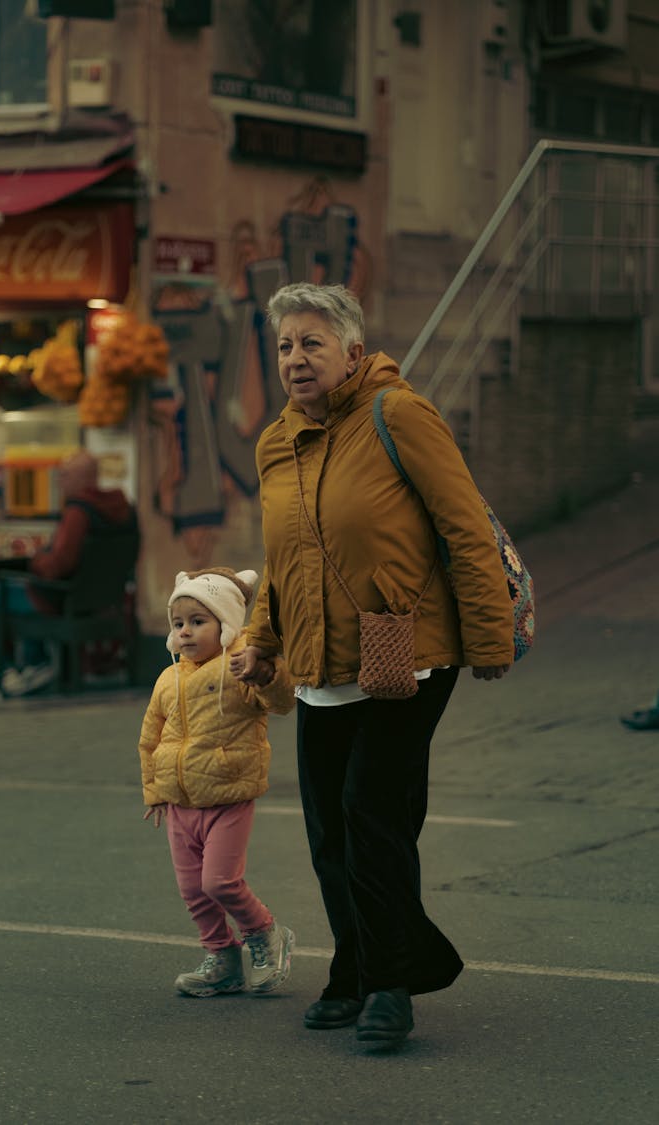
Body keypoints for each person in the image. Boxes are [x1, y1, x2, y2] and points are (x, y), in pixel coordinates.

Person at [231, 282, 514, 1050]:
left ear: (353, 351)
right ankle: (355, 966)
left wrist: (488, 639)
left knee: (371, 818)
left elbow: (464, 525)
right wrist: (259, 637)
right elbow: (279, 560)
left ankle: (391, 983)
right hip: (322, 660)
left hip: (407, 655)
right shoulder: (276, 441)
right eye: (286, 344)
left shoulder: (398, 414)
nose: (296, 357)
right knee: (329, 835)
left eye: (312, 342)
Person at [138, 566, 296, 998]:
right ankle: (222, 960)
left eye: (198, 621)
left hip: (228, 795)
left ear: (226, 624)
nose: (186, 632)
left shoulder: (239, 666)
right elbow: (151, 737)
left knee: (219, 883)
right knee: (193, 890)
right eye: (179, 623)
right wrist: (155, 790)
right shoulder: (168, 678)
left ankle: (264, 933)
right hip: (179, 802)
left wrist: (265, 672)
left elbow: (281, 703)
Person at [0, 450, 138, 700]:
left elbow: (57, 565)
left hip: (62, 599)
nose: (60, 481)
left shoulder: (79, 512)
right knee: (19, 589)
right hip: (99, 599)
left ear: (83, 478)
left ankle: (4, 671)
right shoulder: (123, 510)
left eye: (65, 475)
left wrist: (36, 559)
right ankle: (32, 663)